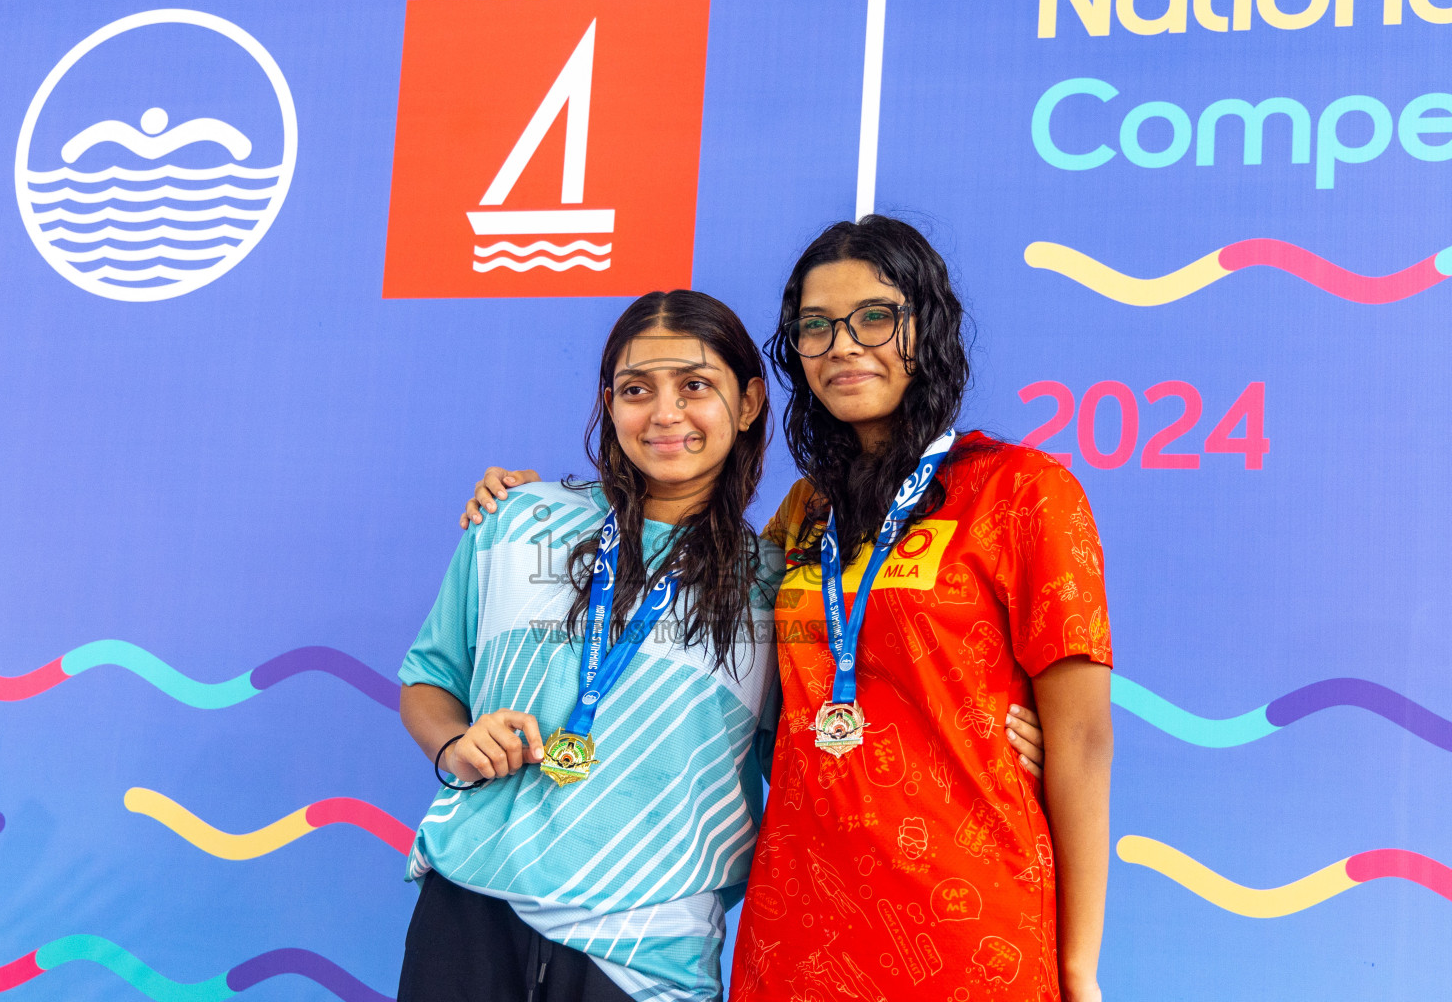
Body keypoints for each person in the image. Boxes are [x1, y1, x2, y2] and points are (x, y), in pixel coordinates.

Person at [464, 215, 1110, 1002]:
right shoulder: (802, 515)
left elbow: (1080, 739)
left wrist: (1078, 965)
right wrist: (540, 506)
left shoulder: (1022, 492)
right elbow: (679, 611)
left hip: (966, 914)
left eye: (876, 316)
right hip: (799, 921)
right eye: (815, 326)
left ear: (927, 328)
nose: (843, 344)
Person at [396, 289, 779, 1002]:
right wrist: (455, 745)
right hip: (475, 900)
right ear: (609, 403)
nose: (665, 414)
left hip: (650, 943)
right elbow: (429, 678)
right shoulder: (516, 518)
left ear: (749, 402)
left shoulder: (775, 584)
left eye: (695, 386)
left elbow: (800, 766)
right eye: (637, 390)